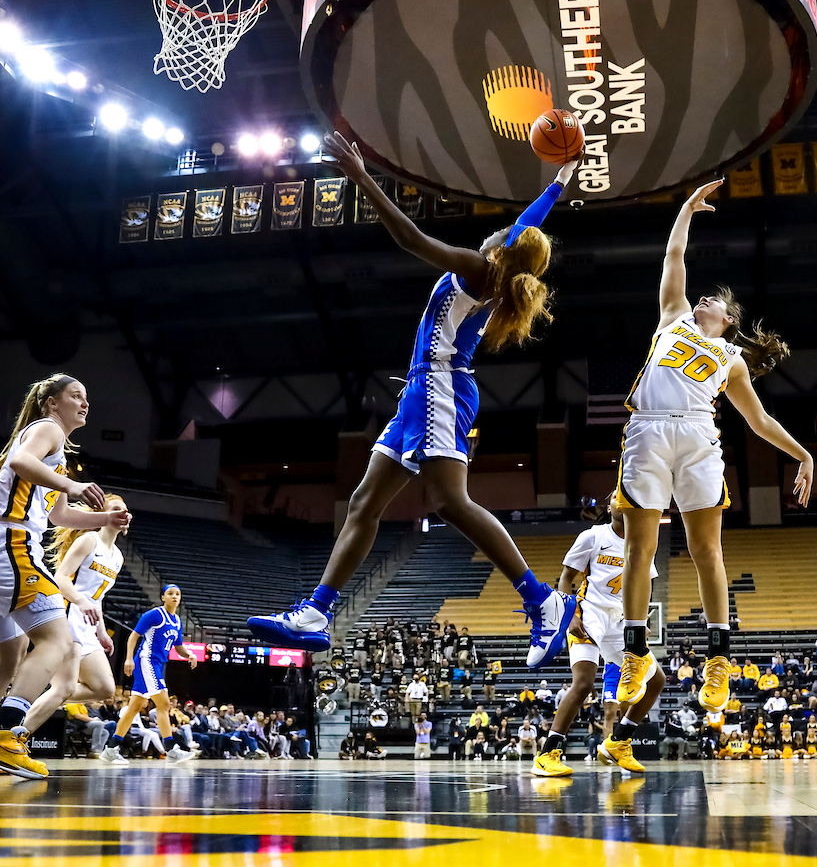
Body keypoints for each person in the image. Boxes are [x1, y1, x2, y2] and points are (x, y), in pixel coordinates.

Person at [249, 132, 581, 669]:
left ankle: (541, 598)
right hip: (421, 393)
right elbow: (533, 220)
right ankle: (317, 612)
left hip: (440, 386)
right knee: (364, 503)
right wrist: (562, 178)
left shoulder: (479, 267)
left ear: (500, 246)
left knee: (450, 502)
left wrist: (362, 180)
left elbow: (410, 238)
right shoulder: (505, 263)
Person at [614, 182, 814, 716]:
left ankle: (719, 661)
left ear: (728, 321)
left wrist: (804, 455)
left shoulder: (732, 359)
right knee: (640, 550)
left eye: (717, 302)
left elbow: (758, 420)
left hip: (701, 437)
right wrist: (684, 211)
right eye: (705, 296)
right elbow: (674, 254)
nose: (704, 298)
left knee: (707, 551)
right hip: (648, 432)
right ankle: (635, 654)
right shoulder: (673, 317)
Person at [0, 374, 125, 780]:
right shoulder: (46, 429)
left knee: (9, 654)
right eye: (75, 395)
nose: (85, 403)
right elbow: (18, 461)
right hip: (8, 541)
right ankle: (5, 736)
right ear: (51, 403)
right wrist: (73, 484)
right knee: (59, 641)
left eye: (87, 397)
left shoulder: (58, 453)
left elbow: (59, 516)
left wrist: (105, 518)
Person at [0, 496, 129, 773]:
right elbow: (62, 577)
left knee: (104, 688)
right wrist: (80, 602)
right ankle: (9, 739)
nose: (123, 513)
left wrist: (103, 632)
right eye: (116, 508)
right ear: (103, 513)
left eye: (126, 510)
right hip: (67, 614)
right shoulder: (88, 540)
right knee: (64, 688)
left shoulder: (117, 556)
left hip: (88, 623)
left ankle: (24, 701)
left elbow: (99, 598)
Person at [534, 494, 663, 776]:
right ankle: (547, 754)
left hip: (621, 620)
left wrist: (639, 623)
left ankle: (618, 742)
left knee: (656, 681)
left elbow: (644, 585)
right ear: (609, 507)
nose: (621, 500)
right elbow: (566, 578)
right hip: (589, 612)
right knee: (583, 684)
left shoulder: (642, 540)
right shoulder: (593, 536)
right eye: (616, 496)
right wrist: (571, 616)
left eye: (625, 496)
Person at [98, 585, 198, 766]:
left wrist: (189, 654)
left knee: (134, 707)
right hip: (147, 660)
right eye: (170, 594)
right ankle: (171, 750)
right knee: (164, 704)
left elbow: (178, 646)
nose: (175, 597)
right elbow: (134, 636)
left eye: (178, 594)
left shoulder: (177, 621)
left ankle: (110, 749)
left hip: (157, 664)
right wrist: (129, 659)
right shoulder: (155, 615)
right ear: (163, 597)